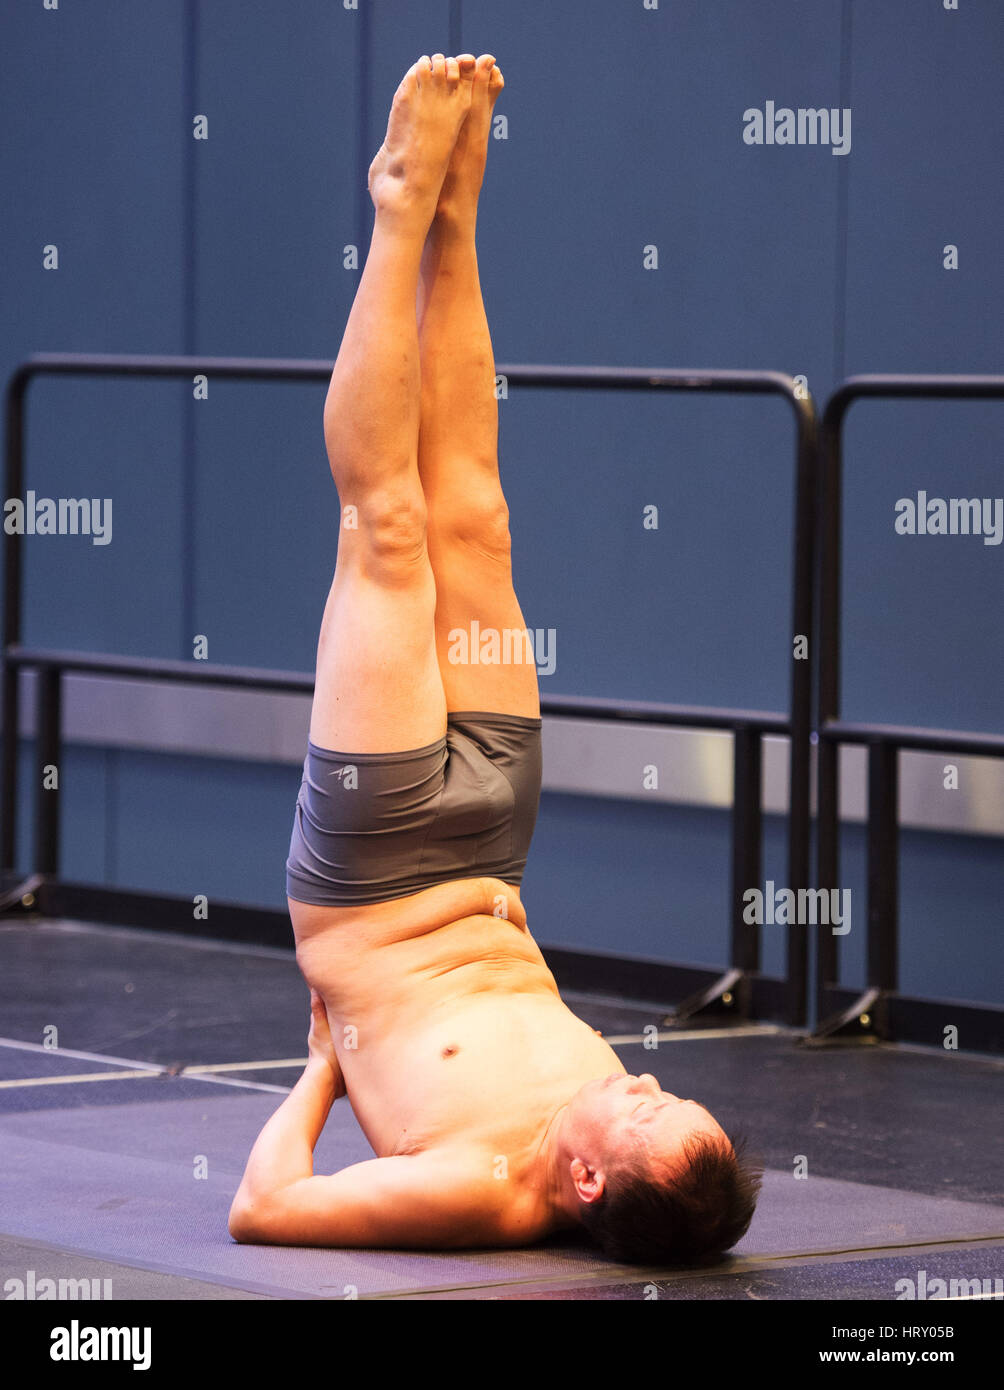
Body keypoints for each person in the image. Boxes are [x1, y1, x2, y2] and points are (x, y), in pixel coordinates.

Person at [229, 53, 761, 1264]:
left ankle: (399, 206)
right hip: (488, 844)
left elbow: (262, 1206)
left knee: (388, 534)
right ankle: (459, 218)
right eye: (664, 1089)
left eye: (641, 1106)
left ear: (582, 1177)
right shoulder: (595, 1122)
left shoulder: (479, 1188)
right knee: (476, 514)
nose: (639, 1078)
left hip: (370, 880)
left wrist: (320, 1068)